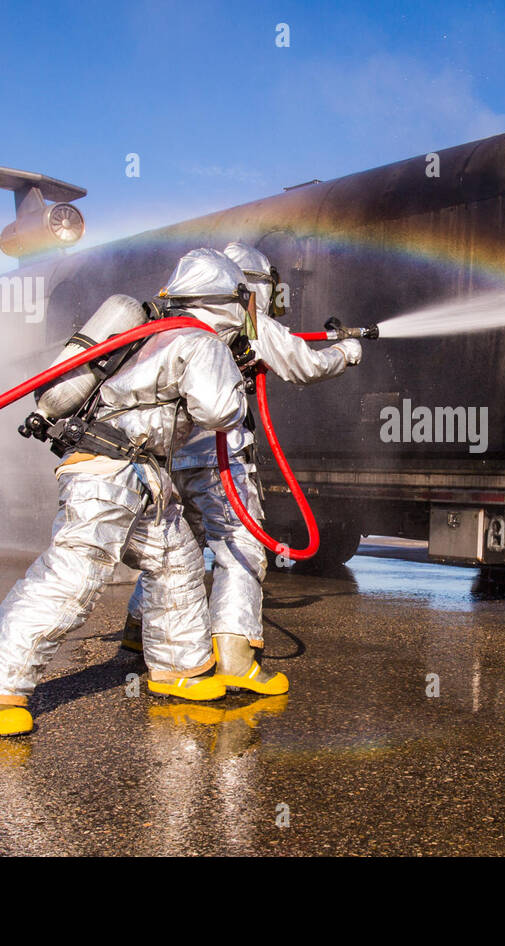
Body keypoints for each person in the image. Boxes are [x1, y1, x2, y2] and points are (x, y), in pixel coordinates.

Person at [0, 249, 252, 736]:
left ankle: (180, 667)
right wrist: (236, 371)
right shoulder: (201, 341)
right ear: (228, 302)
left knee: (175, 560)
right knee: (75, 574)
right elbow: (221, 412)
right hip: (112, 472)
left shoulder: (152, 334)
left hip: (137, 472)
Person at [120, 241, 362, 696]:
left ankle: (138, 627)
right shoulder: (250, 323)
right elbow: (305, 366)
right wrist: (347, 352)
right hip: (220, 460)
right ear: (251, 287)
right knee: (241, 548)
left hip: (169, 457)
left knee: (178, 550)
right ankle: (235, 656)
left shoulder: (170, 327)